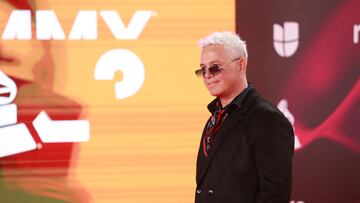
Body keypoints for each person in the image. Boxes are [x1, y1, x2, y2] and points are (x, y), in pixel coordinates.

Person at [194, 31, 294, 203]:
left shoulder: (268, 120)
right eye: (203, 69)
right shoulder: (214, 119)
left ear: (240, 65)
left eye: (215, 67)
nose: (208, 75)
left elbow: (275, 195)